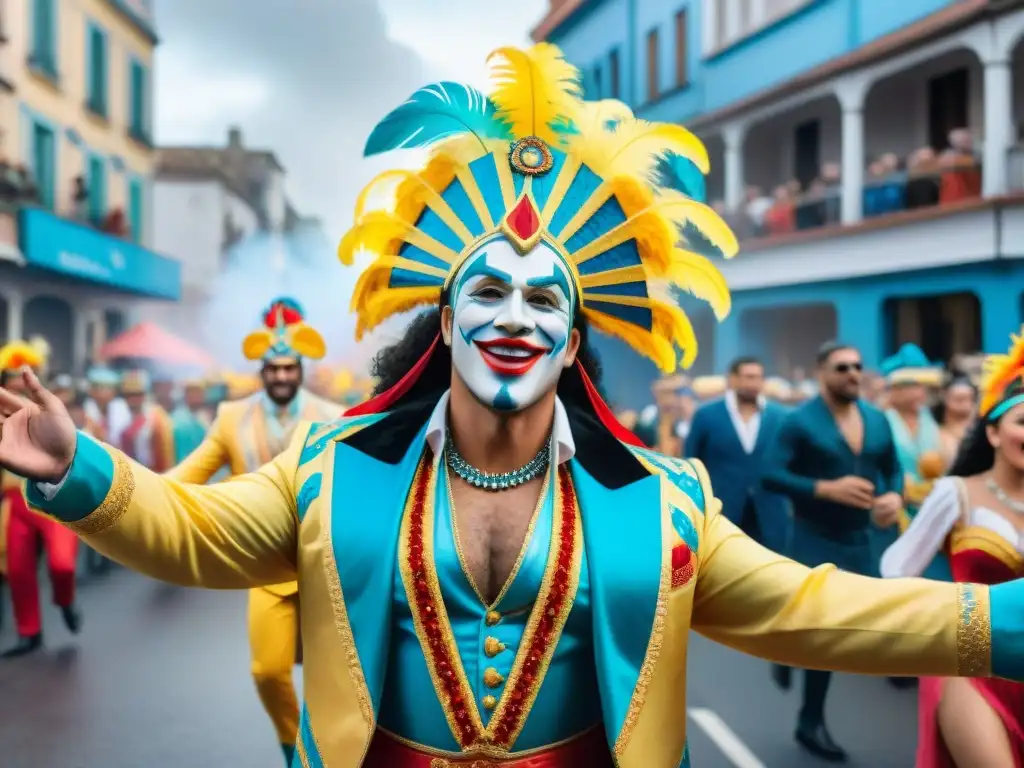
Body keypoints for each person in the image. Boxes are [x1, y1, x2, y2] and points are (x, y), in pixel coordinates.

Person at [3, 44, 1024, 768]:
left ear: (574, 341)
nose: (514, 318)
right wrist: (75, 467)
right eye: (486, 293)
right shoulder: (336, 466)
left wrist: (996, 624)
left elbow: (813, 610)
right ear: (445, 323)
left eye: (544, 300)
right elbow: (194, 532)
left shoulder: (660, 497)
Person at [164, 297, 341, 765]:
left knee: (337, 679)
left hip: (328, 568)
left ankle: (326, 751)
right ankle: (291, 749)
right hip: (265, 566)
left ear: (301, 367)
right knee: (268, 672)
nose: (281, 376)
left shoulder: (336, 416)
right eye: (273, 368)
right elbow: (184, 478)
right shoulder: (230, 418)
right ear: (261, 370)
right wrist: (125, 489)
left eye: (289, 367)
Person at [881, 327, 1024, 767]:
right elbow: (896, 567)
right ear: (995, 433)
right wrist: (943, 614)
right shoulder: (956, 492)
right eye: (1023, 422)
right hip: (969, 660)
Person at [762, 341, 904, 762]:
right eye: (842, 367)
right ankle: (811, 721)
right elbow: (769, 475)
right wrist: (825, 488)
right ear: (822, 371)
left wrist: (894, 496)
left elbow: (893, 466)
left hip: (862, 540)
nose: (853, 374)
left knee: (848, 627)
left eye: (858, 366)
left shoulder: (877, 420)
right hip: (813, 537)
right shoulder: (798, 422)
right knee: (823, 631)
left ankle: (786, 650)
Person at [0, 339, 81, 658]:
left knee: (62, 565)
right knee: (18, 571)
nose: (19, 386)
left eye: (26, 379)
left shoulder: (53, 413)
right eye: (12, 381)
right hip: (15, 504)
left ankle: (65, 599)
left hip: (54, 501)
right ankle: (29, 632)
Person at [685, 356, 790, 553]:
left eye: (758, 378)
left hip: (770, 514)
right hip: (724, 513)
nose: (754, 384)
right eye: (748, 377)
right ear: (732, 379)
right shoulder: (707, 415)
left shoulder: (780, 417)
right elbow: (692, 462)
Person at [118, 369, 175, 473]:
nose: (133, 399)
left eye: (137, 394)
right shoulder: (120, 416)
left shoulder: (155, 417)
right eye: (129, 395)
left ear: (144, 395)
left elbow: (164, 455)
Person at [935, 376, 978, 468]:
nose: (964, 404)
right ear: (946, 398)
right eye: (959, 399)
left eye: (968, 398)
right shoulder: (935, 432)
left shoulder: (979, 432)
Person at [170, 378, 211, 463]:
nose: (197, 397)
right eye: (194, 393)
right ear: (186, 395)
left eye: (200, 393)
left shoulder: (205, 416)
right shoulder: (177, 419)